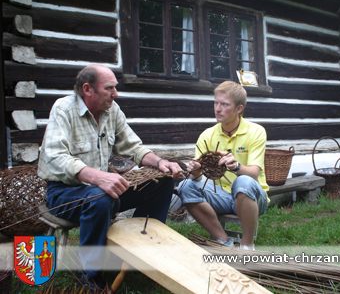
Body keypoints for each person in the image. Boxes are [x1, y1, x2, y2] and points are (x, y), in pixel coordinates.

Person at [38, 64, 182, 290]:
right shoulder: (63, 109)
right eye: (109, 88)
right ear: (88, 89)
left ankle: (141, 255)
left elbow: (133, 147)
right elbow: (55, 157)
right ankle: (89, 275)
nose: (115, 94)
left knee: (162, 182)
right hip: (64, 193)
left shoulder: (111, 110)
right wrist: (97, 177)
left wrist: (161, 162)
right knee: (101, 198)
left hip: (102, 190)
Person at [178, 81, 269, 250]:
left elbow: (254, 175)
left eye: (224, 104)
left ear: (239, 108)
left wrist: (236, 167)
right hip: (222, 196)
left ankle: (247, 246)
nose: (217, 109)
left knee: (242, 182)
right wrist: (195, 171)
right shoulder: (207, 135)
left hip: (253, 196)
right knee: (185, 186)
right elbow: (197, 178)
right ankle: (223, 239)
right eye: (216, 102)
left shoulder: (256, 131)